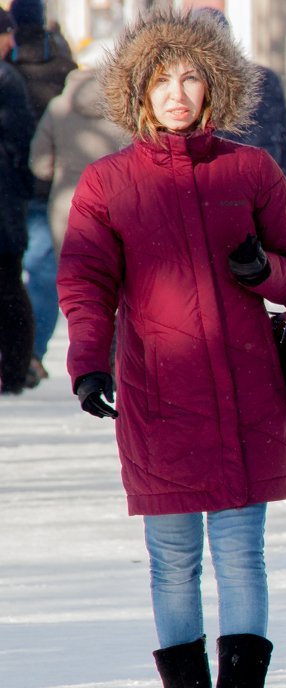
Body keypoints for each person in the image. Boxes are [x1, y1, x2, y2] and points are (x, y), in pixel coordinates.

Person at [57, 9, 286, 688]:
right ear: (140, 90)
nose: (178, 92)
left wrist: (260, 273)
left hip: (246, 398)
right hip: (159, 397)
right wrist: (88, 363)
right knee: (172, 565)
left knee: (242, 559)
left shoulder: (250, 172)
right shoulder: (110, 184)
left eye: (192, 76)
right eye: (163, 78)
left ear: (215, 87)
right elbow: (85, 282)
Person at [6, 0, 75, 387]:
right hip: (51, 187)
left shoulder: (7, 66)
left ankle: (15, 354)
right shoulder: (62, 63)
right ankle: (32, 352)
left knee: (12, 272)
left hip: (14, 182)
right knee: (44, 271)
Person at [29, 66, 129, 255]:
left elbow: (40, 164)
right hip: (115, 204)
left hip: (67, 203)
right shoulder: (121, 108)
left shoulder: (57, 107)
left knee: (73, 275)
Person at [190, 8, 286, 185]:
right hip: (261, 178)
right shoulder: (265, 77)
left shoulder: (198, 84)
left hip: (227, 182)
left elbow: (285, 137)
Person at [0, 8, 35, 396]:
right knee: (10, 287)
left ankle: (14, 370)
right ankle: (14, 369)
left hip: (6, 201)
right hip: (5, 201)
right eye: (6, 34)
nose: (11, 42)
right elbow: (21, 139)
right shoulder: (7, 78)